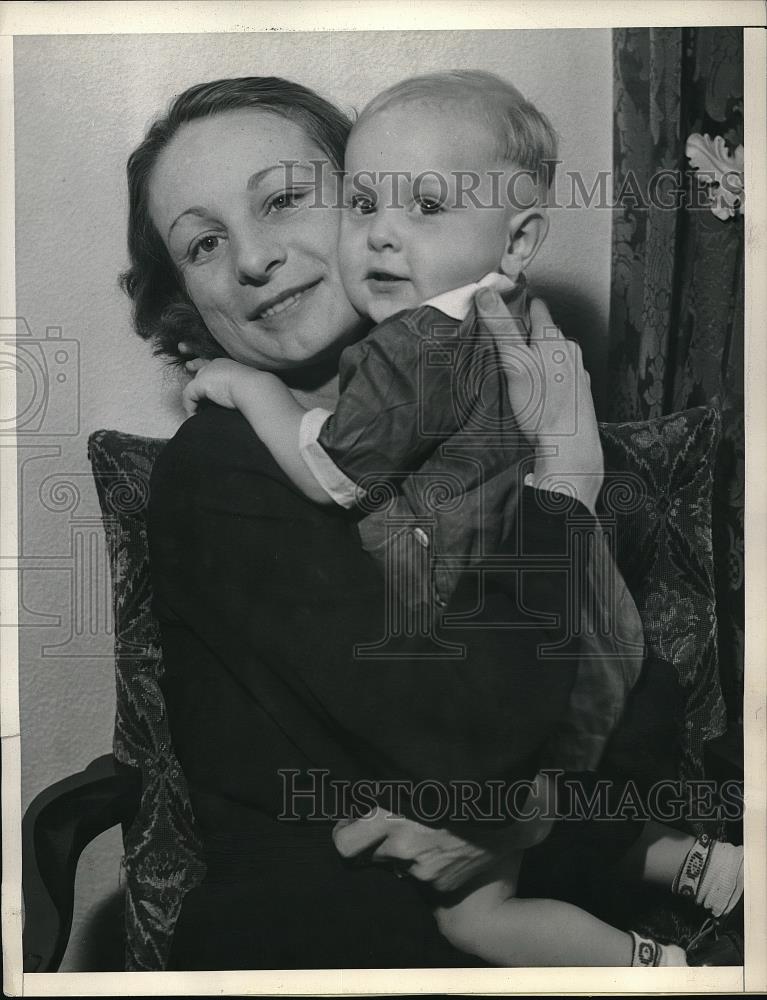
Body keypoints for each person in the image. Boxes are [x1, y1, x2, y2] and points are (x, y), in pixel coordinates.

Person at [125, 76, 742, 970]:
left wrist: (515, 816)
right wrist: (566, 488)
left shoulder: (481, 399)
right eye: (204, 243)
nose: (251, 258)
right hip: (329, 940)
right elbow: (468, 736)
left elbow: (641, 705)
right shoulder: (216, 475)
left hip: (524, 909)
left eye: (286, 199)